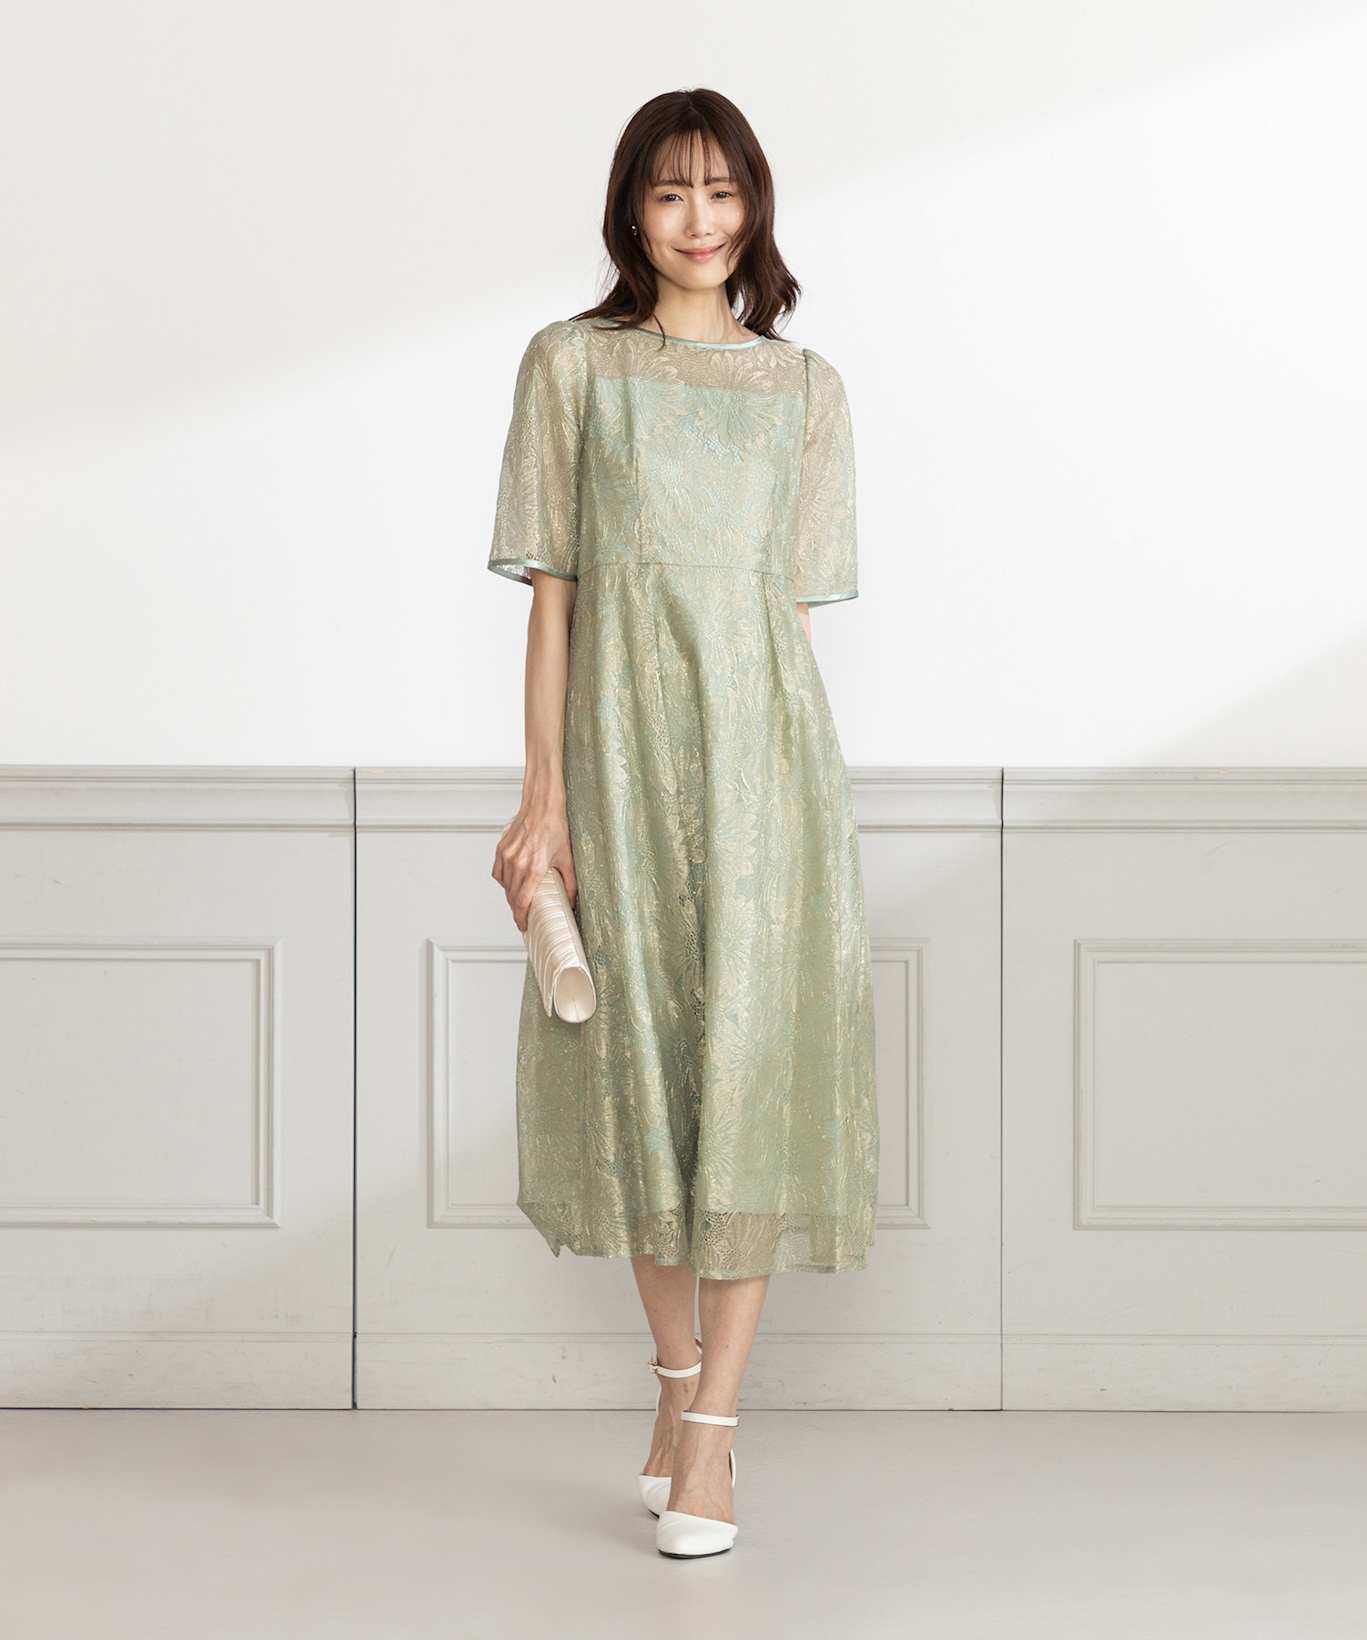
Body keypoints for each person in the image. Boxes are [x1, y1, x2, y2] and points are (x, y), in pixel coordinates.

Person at [488, 87, 879, 1559]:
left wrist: (788, 793)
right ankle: (672, 1383)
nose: (699, 220)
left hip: (769, 771)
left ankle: (712, 1432)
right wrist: (545, 797)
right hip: (616, 763)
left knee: (749, 1087)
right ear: (631, 212)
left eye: (722, 191)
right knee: (643, 1084)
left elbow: (784, 619)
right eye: (670, 193)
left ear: (754, 206)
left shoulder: (806, 389)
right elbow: (555, 604)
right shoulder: (573, 366)